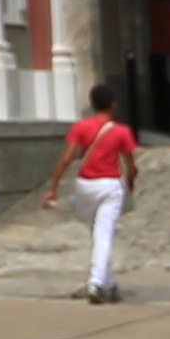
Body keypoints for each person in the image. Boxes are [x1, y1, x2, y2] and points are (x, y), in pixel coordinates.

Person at [46, 83, 142, 303]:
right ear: (113, 105)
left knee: (98, 234)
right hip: (110, 185)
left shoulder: (80, 127)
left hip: (85, 186)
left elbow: (67, 158)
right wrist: (130, 181)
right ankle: (96, 283)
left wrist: (53, 188)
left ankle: (110, 283)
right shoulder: (121, 131)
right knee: (104, 234)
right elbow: (131, 165)